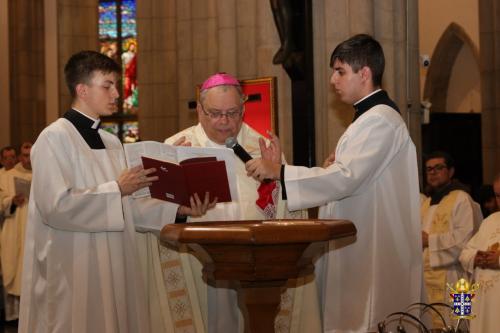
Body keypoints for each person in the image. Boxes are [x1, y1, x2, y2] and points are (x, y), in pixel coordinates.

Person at [19, 50, 214, 333]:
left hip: (113, 265)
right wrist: (116, 188)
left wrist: (178, 210)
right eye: (107, 85)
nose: (116, 94)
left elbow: (128, 206)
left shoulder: (111, 142)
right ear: (82, 90)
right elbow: (56, 207)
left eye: (116, 86)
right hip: (74, 269)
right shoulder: (53, 138)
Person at [246, 34, 422, 332]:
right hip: (360, 242)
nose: (332, 80)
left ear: (364, 73)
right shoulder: (369, 119)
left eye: (340, 71)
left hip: (371, 250)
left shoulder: (379, 120)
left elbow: (345, 178)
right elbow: (348, 175)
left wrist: (280, 171)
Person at [155, 72, 315, 333]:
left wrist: (276, 178)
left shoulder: (261, 148)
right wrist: (181, 210)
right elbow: (152, 211)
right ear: (200, 111)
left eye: (232, 113)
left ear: (243, 109)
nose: (224, 122)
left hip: (253, 268)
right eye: (215, 113)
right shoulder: (174, 147)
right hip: (196, 264)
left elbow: (285, 212)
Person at [421, 151, 480, 327]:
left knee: (460, 322)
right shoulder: (425, 204)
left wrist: (429, 241)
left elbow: (467, 240)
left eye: (439, 168)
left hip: (457, 278)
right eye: (429, 169)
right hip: (427, 278)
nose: (433, 172)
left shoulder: (462, 199)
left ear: (451, 171)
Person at [459, 173, 500, 333]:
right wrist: (476, 258)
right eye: (497, 195)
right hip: (484, 304)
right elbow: (465, 253)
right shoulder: (490, 221)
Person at [0, 142, 32, 321]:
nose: (26, 159)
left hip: (32, 230)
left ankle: (29, 315)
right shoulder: (6, 176)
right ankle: (13, 315)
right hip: (13, 228)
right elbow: (1, 199)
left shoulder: (40, 174)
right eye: (24, 155)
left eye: (30, 155)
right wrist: (12, 200)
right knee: (13, 267)